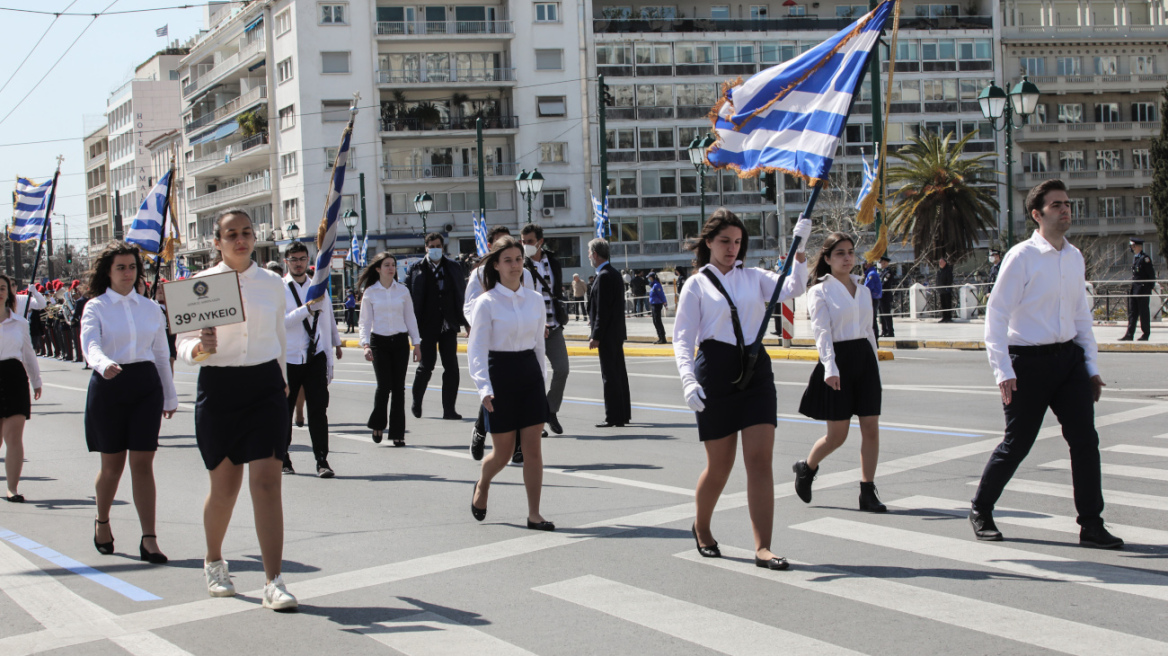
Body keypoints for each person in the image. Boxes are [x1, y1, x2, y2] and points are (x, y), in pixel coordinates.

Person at [970, 179, 1122, 550]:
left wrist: (1091, 365)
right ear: (1037, 214)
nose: (1065, 210)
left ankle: (1091, 524)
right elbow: (996, 314)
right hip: (1028, 364)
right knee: (1017, 443)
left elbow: (1081, 316)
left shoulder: (1074, 257)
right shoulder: (1021, 257)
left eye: (1067, 204)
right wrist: (1003, 370)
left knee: (1085, 442)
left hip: (1068, 361)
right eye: (1057, 205)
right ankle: (981, 508)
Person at [673, 210, 811, 570]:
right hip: (715, 371)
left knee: (760, 461)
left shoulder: (753, 277)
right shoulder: (696, 285)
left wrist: (800, 254)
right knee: (720, 465)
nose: (732, 248)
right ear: (708, 243)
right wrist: (688, 379)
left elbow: (792, 288)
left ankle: (763, 547)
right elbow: (683, 337)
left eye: (737, 242)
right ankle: (701, 527)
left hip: (755, 370)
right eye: (724, 241)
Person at [175, 207, 298, 610]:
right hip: (220, 387)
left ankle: (274, 580)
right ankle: (213, 560)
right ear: (217, 241)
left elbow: (280, 334)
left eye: (246, 232)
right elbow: (183, 346)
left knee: (267, 483)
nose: (241, 240)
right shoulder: (200, 284)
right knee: (224, 487)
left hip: (264, 387)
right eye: (231, 234)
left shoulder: (273, 284)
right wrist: (199, 348)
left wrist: (281, 381)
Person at [80, 242, 178, 563]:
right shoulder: (96, 307)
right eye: (120, 267)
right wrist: (103, 363)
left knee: (143, 464)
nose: (127, 273)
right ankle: (102, 521)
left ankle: (149, 538)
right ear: (108, 271)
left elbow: (162, 355)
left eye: (132, 267)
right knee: (112, 467)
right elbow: (90, 344)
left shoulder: (151, 308)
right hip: (109, 385)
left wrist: (169, 393)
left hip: (145, 387)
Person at [793, 233, 886, 513]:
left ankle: (867, 492)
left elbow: (869, 330)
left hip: (864, 360)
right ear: (827, 259)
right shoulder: (819, 291)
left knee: (871, 428)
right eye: (840, 253)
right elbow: (821, 333)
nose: (847, 258)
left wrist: (876, 367)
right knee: (838, 435)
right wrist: (830, 367)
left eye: (850, 252)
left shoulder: (864, 289)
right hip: (838, 361)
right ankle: (806, 468)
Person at [468, 237, 553, 531]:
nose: (515, 265)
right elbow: (476, 348)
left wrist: (542, 382)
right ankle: (484, 481)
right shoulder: (486, 303)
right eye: (508, 260)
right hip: (500, 374)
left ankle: (534, 514)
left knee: (533, 450)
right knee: (502, 454)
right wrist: (483, 388)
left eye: (519, 259)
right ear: (496, 265)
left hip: (529, 374)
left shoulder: (535, 300)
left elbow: (540, 347)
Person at [466, 226, 533, 462]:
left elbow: (530, 302)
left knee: (517, 401)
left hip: (520, 347)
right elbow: (469, 306)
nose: (513, 263)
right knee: (493, 397)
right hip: (493, 344)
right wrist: (481, 324)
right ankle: (480, 429)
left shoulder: (524, 272)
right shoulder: (479, 275)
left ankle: (517, 447)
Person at [282, 241, 342, 477]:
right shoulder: (279, 288)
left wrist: (335, 343)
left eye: (302, 259)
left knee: (318, 410)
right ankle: (283, 458)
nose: (298, 263)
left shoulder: (318, 287)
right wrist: (306, 309)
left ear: (308, 261)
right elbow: (282, 322)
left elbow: (328, 319)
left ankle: (322, 460)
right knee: (284, 412)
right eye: (294, 259)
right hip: (288, 358)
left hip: (314, 356)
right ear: (287, 261)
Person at [359, 252, 421, 447]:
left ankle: (397, 432)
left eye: (393, 265)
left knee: (399, 388)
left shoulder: (402, 291)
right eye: (386, 265)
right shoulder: (370, 292)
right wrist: (365, 344)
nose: (391, 268)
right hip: (379, 342)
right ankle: (378, 424)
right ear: (378, 268)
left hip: (400, 342)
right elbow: (365, 321)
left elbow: (410, 318)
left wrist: (416, 343)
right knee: (384, 386)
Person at [407, 232, 468, 420]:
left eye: (438, 246)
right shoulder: (416, 269)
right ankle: (417, 401)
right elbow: (409, 298)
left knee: (452, 367)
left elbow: (460, 295)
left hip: (448, 323)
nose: (435, 249)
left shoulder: (453, 267)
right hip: (426, 325)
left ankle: (449, 409)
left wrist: (466, 322)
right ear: (426, 247)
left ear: (443, 247)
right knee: (426, 366)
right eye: (431, 246)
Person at [520, 223, 569, 437]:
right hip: (532, 329)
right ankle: (535, 420)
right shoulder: (521, 264)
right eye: (523, 242)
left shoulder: (554, 262)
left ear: (540, 241)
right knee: (534, 377)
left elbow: (556, 292)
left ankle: (550, 410)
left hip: (554, 326)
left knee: (562, 369)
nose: (525, 245)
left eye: (529, 241)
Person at [0, 273, 41, 503]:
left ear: (9, 292)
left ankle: (12, 488)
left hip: (14, 377)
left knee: (14, 436)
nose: (0, 291)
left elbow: (28, 354)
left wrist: (36, 381)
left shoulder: (20, 323)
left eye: (3, 287)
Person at [588, 239, 631, 427]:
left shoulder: (604, 276)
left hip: (607, 334)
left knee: (610, 375)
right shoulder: (612, 273)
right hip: (616, 332)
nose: (590, 256)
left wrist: (596, 335)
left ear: (595, 254)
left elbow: (603, 310)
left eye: (590, 253)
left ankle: (613, 416)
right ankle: (623, 414)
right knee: (619, 373)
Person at [1119, 237, 1155, 341]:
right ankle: (1129, 334)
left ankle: (1145, 334)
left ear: (1138, 246)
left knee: (1144, 313)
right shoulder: (1136, 257)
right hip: (1135, 289)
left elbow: (1151, 275)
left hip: (1142, 290)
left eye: (1133, 246)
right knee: (1132, 313)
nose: (1131, 248)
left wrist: (1148, 289)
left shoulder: (1145, 259)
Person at [862, 260, 883, 337]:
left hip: (872, 299)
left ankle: (875, 338)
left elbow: (867, 287)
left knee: (872, 320)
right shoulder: (870, 273)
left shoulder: (872, 274)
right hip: (872, 299)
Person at [877, 256, 896, 338]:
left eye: (883, 263)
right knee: (882, 314)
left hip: (885, 295)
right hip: (881, 296)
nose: (881, 264)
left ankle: (890, 331)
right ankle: (884, 330)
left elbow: (884, 284)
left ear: (886, 263)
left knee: (886, 314)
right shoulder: (882, 272)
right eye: (881, 263)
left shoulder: (888, 272)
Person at [648, 272, 667, 344]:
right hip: (653, 304)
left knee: (658, 321)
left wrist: (665, 303)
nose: (649, 279)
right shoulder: (653, 285)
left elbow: (661, 294)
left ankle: (663, 338)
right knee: (655, 321)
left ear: (652, 277)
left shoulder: (657, 285)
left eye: (649, 277)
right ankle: (660, 337)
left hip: (657, 305)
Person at [936, 256, 954, 322]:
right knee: (943, 304)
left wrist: (947, 287)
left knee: (948, 304)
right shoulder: (939, 271)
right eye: (939, 262)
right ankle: (944, 317)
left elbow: (950, 280)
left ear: (945, 262)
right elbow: (937, 280)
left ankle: (948, 317)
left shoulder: (948, 270)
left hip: (946, 290)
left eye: (941, 262)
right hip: (941, 290)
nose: (940, 263)